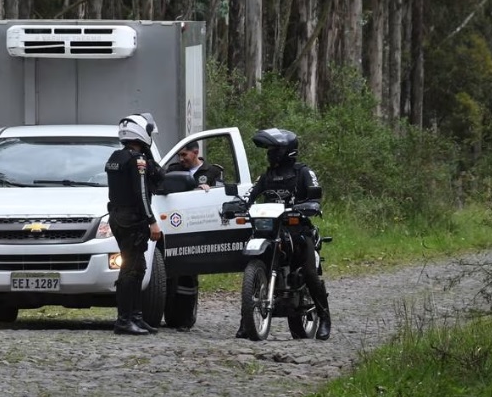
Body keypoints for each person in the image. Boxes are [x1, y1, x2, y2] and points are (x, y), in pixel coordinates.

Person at [235, 127, 332, 340]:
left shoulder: (303, 172)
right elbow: (250, 194)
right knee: (255, 261)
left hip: (297, 230)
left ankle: (324, 318)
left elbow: (315, 196)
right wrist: (237, 204)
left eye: (272, 149)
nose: (269, 153)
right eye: (268, 149)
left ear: (285, 151)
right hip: (270, 229)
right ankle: (247, 321)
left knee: (308, 272)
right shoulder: (267, 175)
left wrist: (310, 205)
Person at [105, 113, 164, 335]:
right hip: (132, 220)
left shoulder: (116, 156)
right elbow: (141, 193)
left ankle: (136, 317)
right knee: (130, 270)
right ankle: (124, 320)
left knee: (137, 267)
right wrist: (152, 222)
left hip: (119, 216)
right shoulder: (137, 160)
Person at [164, 140, 224, 332]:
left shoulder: (212, 172)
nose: (181, 159)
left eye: (184, 155)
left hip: (197, 228)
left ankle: (185, 319)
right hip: (173, 226)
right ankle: (167, 315)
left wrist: (209, 192)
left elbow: (222, 195)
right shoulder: (172, 170)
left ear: (195, 153)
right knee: (168, 276)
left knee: (187, 276)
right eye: (179, 156)